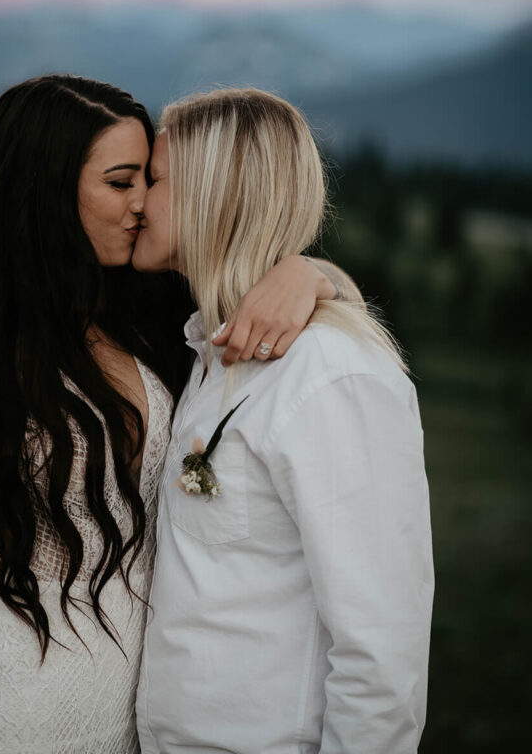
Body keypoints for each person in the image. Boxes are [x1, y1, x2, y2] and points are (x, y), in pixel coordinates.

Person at [0, 75, 351, 754]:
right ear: (45, 188)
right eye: (121, 182)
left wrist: (308, 273)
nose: (144, 204)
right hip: (7, 713)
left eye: (147, 180)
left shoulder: (159, 316)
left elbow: (250, 270)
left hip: (151, 715)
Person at [133, 88, 434, 754]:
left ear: (214, 195)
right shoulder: (206, 351)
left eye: (155, 180)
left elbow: (381, 655)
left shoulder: (329, 376)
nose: (137, 201)